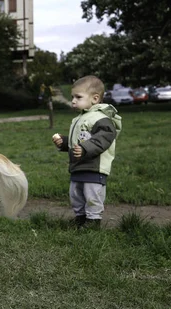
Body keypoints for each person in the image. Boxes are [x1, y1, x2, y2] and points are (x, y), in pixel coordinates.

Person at [52, 75, 122, 229]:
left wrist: (85, 149)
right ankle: (81, 217)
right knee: (76, 194)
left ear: (95, 99)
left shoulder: (101, 118)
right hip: (78, 166)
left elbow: (104, 138)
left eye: (78, 97)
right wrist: (64, 142)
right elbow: (78, 141)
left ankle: (93, 220)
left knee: (92, 195)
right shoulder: (80, 118)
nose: (73, 101)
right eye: (72, 97)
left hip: (94, 166)